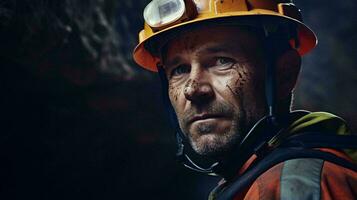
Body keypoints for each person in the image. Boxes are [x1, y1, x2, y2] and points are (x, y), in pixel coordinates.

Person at [133, 0, 357, 199]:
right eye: (179, 69)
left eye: (222, 61)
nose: (192, 89)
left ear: (284, 73)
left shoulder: (290, 185)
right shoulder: (251, 181)